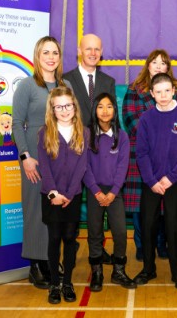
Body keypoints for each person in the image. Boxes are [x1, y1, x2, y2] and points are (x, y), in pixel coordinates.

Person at [13, 36, 71, 289]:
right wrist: (25, 157)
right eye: (45, 52)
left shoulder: (65, 84)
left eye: (55, 52)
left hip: (58, 157)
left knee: (54, 211)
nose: (50, 57)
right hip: (34, 159)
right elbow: (16, 123)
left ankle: (49, 258)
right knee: (36, 211)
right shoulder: (27, 85)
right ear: (38, 56)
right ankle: (36, 265)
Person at [122, 49, 177, 261]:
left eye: (163, 63)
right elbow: (131, 121)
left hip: (171, 159)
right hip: (141, 157)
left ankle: (162, 243)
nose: (159, 66)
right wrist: (157, 131)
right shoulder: (135, 89)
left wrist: (163, 133)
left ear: (168, 67)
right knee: (142, 207)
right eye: (154, 62)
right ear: (147, 65)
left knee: (166, 207)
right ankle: (143, 245)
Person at [133, 73, 177, 290]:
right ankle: (148, 269)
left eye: (167, 91)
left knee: (173, 227)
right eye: (158, 92)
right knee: (148, 225)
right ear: (151, 94)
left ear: (173, 91)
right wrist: (152, 181)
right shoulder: (147, 119)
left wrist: (170, 178)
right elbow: (141, 153)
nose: (163, 95)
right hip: (151, 183)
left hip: (173, 182)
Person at [64, 33, 115, 263]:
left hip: (98, 155)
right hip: (72, 153)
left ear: (101, 52)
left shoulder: (108, 82)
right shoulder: (65, 80)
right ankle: (69, 249)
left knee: (97, 208)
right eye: (88, 49)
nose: (93, 53)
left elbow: (111, 119)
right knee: (72, 204)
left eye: (97, 49)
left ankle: (98, 249)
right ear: (79, 50)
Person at [37, 86, 89, 304]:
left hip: (72, 195)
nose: (64, 110)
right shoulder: (44, 132)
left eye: (68, 105)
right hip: (51, 195)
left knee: (69, 238)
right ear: (52, 109)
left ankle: (67, 282)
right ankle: (54, 284)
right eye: (59, 107)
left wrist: (68, 194)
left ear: (74, 107)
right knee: (54, 238)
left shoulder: (84, 132)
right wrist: (53, 193)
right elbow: (45, 167)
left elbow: (82, 166)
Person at [83, 93, 136, 291]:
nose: (105, 111)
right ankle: (97, 272)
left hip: (115, 192)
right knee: (94, 232)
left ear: (115, 110)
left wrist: (113, 192)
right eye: (100, 106)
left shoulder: (121, 136)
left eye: (109, 106)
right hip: (94, 191)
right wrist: (96, 191)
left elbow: (123, 167)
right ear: (94, 110)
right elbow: (85, 167)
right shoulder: (87, 135)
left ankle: (119, 271)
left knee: (120, 231)